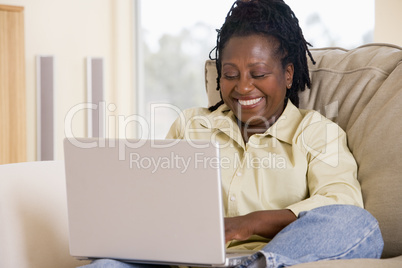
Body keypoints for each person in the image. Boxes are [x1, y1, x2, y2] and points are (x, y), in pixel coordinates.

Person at [81, 0, 383, 267]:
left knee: (357, 224)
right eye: (230, 75)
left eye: (259, 74)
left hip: (275, 256)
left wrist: (250, 224)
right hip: (182, 260)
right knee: (105, 264)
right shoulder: (191, 126)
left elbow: (342, 202)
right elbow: (152, 200)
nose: (243, 87)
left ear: (288, 74)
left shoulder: (316, 132)